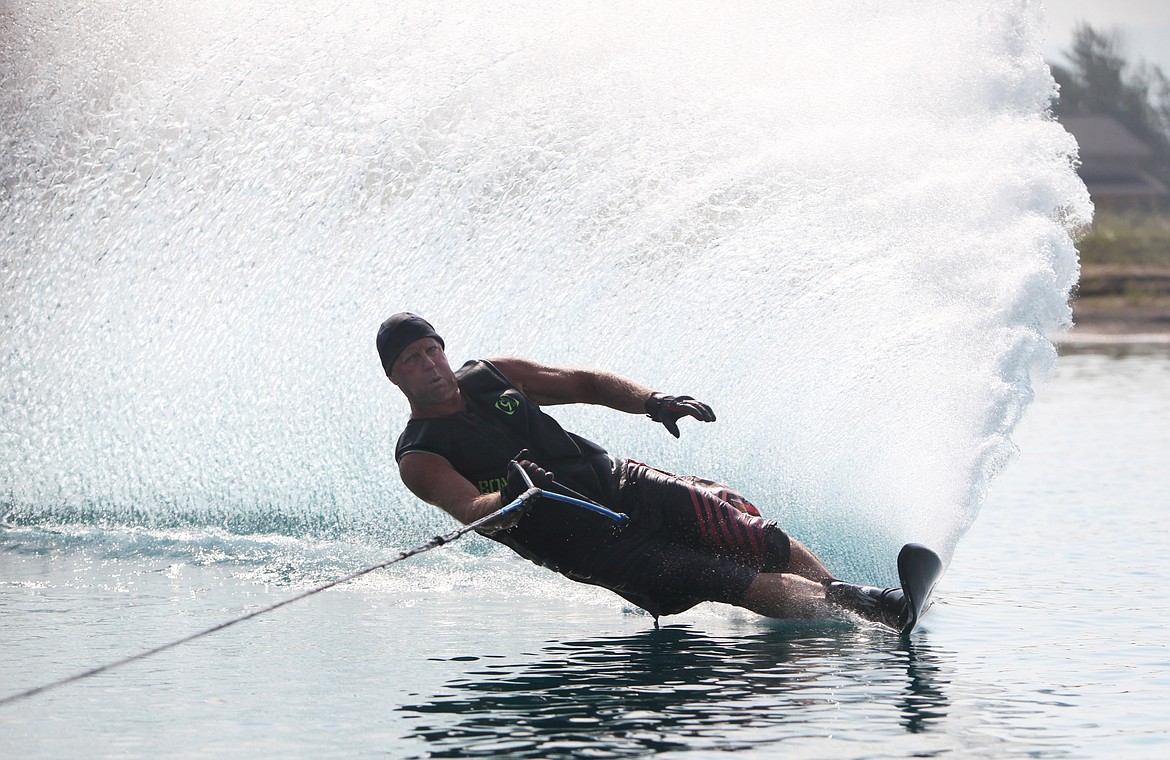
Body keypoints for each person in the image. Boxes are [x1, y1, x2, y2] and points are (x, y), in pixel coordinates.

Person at [378, 312, 910, 629]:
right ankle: (862, 617)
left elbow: (585, 383)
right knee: (730, 579)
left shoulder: (492, 376)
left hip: (623, 483)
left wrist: (654, 402)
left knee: (754, 537)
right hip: (590, 544)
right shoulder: (420, 455)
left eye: (433, 350)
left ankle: (851, 596)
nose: (430, 364)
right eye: (413, 360)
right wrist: (512, 494)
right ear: (395, 377)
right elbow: (473, 511)